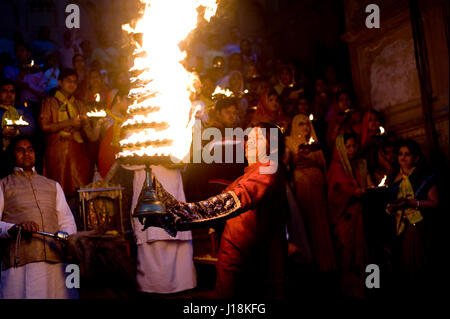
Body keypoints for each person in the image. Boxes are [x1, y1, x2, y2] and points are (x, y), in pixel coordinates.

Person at [144, 123, 288, 299]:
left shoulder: (268, 170)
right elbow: (221, 203)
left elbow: (235, 200)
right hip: (237, 262)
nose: (248, 143)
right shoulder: (249, 173)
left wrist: (182, 213)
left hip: (255, 266)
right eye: (248, 139)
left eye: (257, 139)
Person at [0, 137, 77, 299]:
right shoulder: (3, 185)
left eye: (30, 149)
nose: (26, 154)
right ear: (12, 155)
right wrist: (14, 228)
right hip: (21, 263)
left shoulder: (53, 185)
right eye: (20, 150)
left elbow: (67, 221)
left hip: (56, 259)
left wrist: (65, 237)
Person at [39, 68, 100, 219]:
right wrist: (69, 123)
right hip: (57, 153)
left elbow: (91, 136)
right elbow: (44, 127)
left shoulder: (80, 105)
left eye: (75, 82)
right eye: (68, 81)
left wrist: (98, 123)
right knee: (58, 191)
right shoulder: (49, 102)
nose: (72, 84)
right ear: (60, 82)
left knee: (79, 191)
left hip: (78, 154)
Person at [127, 165, 197, 295]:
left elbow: (184, 158)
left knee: (175, 231)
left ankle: (181, 285)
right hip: (146, 179)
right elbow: (126, 161)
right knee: (150, 233)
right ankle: (153, 286)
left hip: (170, 181)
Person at [386, 139, 438, 295]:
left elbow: (435, 203)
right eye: (400, 154)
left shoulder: (423, 176)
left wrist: (410, 202)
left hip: (419, 226)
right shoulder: (394, 179)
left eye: (407, 155)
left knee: (420, 267)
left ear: (416, 158)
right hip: (400, 227)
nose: (402, 158)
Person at [285, 114, 336, 272]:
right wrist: (297, 159)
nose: (305, 128)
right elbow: (286, 165)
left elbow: (323, 165)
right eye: (301, 124)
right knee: (308, 222)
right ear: (294, 126)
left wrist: (314, 161)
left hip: (318, 186)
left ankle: (326, 263)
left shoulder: (315, 143)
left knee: (321, 222)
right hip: (302, 188)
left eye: (307, 124)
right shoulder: (289, 142)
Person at [327, 132, 374, 298]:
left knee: (367, 253)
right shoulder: (336, 168)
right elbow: (338, 192)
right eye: (348, 147)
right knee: (348, 256)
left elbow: (370, 185)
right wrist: (355, 192)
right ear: (341, 148)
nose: (352, 150)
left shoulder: (361, 164)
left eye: (354, 146)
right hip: (345, 218)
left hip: (363, 215)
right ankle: (351, 292)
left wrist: (372, 189)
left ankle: (370, 287)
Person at [0, 80, 36, 177]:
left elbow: (32, 127)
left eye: (12, 91)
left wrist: (17, 131)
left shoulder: (22, 110)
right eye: (5, 91)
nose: (9, 94)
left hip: (19, 154)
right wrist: (2, 132)